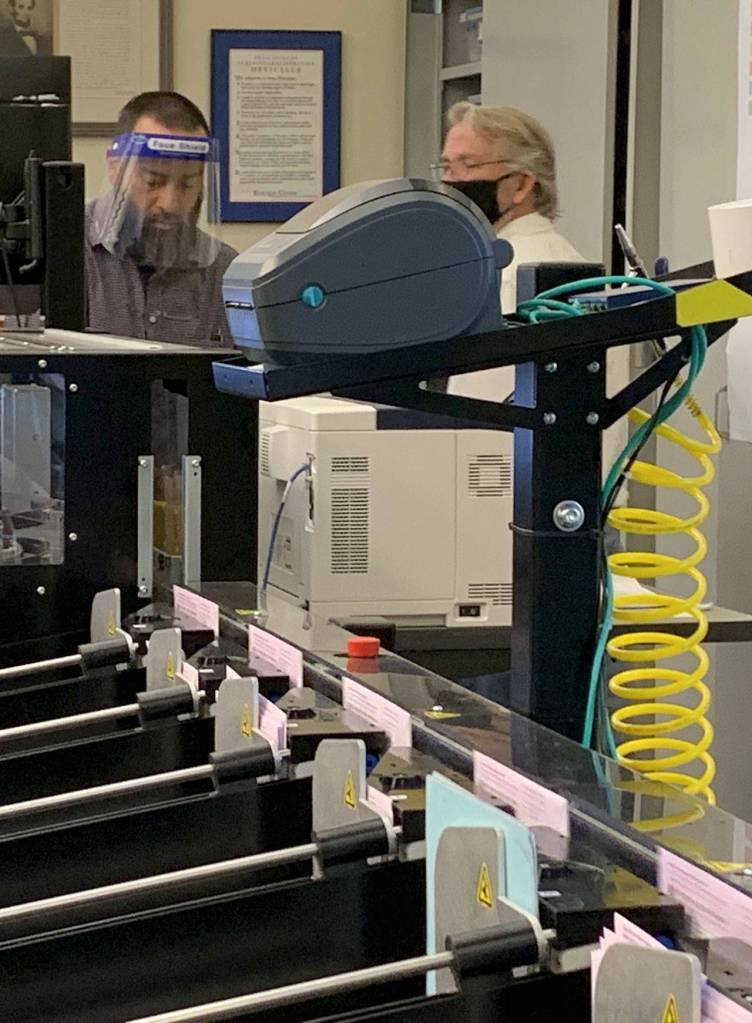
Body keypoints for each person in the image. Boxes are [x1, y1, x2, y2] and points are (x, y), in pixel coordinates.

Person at [85, 91, 237, 348]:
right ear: (114, 168)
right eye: (153, 181)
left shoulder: (225, 271)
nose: (170, 203)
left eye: (188, 184)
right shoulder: (61, 252)